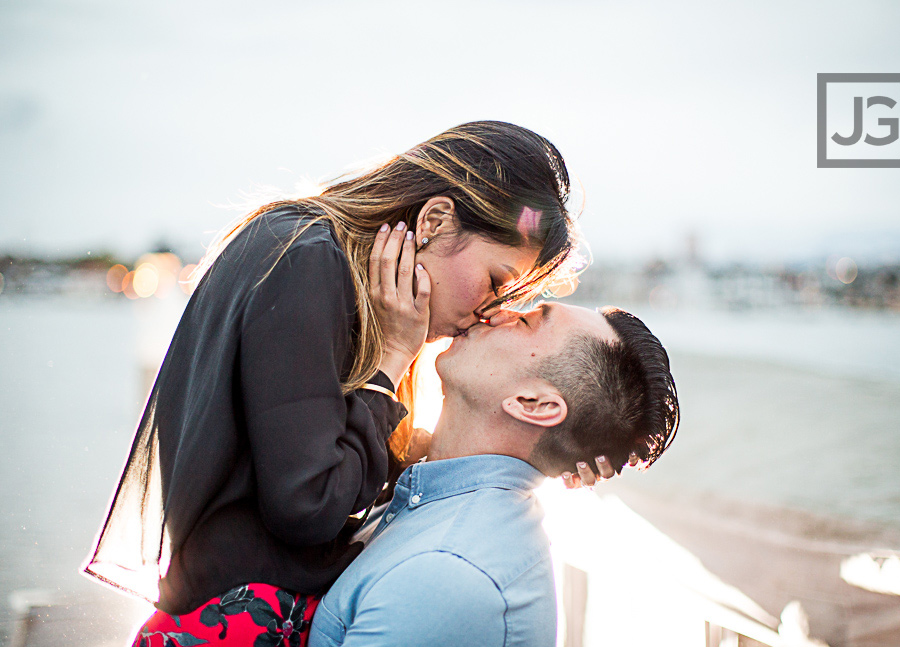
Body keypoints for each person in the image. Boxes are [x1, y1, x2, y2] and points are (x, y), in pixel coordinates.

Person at [82, 120, 619, 647]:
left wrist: (559, 449)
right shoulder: (307, 263)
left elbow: (339, 465)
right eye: (496, 282)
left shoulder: (310, 254)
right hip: (233, 626)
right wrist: (391, 358)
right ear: (435, 220)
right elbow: (309, 504)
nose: (487, 313)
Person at [307, 301, 680, 647]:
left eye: (525, 321)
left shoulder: (447, 576)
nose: (497, 312)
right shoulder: (429, 498)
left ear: (532, 404)